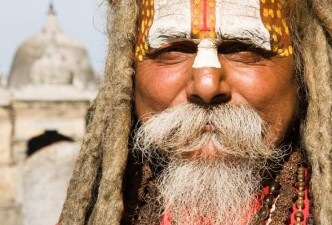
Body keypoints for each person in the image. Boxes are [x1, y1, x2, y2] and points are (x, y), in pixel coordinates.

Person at [59, 0, 331, 224]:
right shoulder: (93, 215)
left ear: (304, 73)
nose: (206, 85)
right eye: (173, 50)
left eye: (242, 49)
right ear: (127, 75)